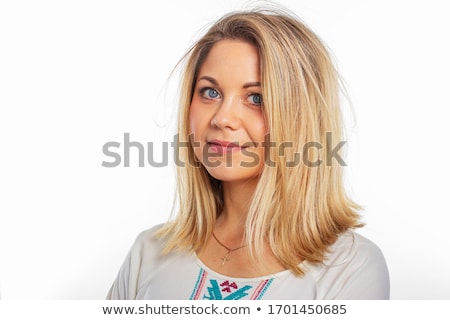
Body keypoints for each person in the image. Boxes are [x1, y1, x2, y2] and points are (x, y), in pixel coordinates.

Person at [106, 6, 390, 300]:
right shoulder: (149, 252)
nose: (222, 118)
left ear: (301, 118)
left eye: (256, 98)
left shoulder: (350, 267)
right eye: (210, 92)